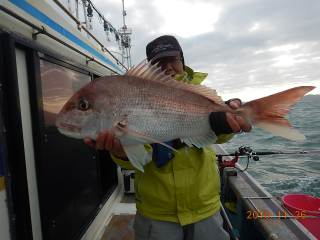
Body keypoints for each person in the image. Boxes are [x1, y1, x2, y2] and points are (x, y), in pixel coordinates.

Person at [84, 35, 251, 239]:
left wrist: (231, 124)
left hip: (204, 205)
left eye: (173, 59)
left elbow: (219, 139)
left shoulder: (202, 94)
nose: (169, 67)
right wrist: (120, 151)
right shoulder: (136, 94)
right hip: (157, 211)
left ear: (182, 61)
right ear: (150, 67)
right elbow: (139, 159)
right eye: (160, 62)